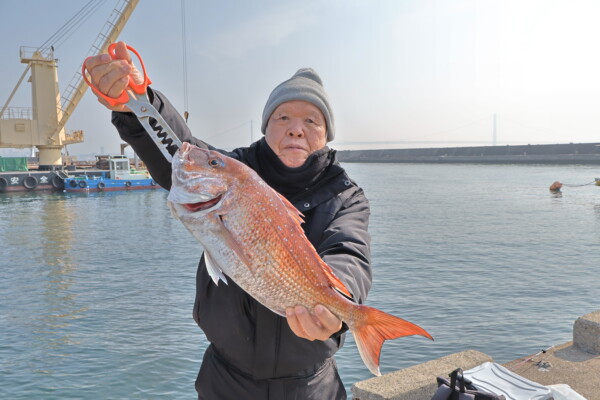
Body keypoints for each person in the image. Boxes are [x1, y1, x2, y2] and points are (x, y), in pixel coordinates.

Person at [85, 41, 372, 400]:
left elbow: (349, 251)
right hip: (225, 379)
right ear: (267, 126)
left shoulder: (346, 194)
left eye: (311, 120)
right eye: (283, 118)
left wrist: (340, 307)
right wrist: (138, 105)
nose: (296, 129)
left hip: (312, 385)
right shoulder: (234, 170)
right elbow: (180, 151)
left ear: (326, 135)